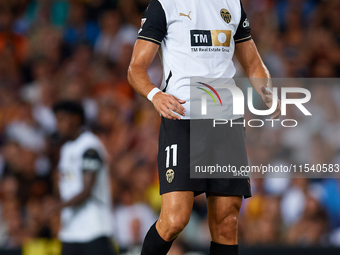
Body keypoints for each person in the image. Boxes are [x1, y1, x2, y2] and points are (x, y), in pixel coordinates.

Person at [127, 0, 281, 255]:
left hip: (226, 122)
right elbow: (135, 68)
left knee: (227, 222)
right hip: (182, 119)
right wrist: (155, 94)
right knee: (175, 219)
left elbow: (253, 63)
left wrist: (267, 92)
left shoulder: (232, 4)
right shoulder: (164, 5)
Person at [52, 101, 116, 255]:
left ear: (75, 119)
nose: (58, 125)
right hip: (70, 231)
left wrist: (56, 207)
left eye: (62, 119)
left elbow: (86, 191)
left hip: (94, 228)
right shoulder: (66, 148)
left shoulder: (89, 146)